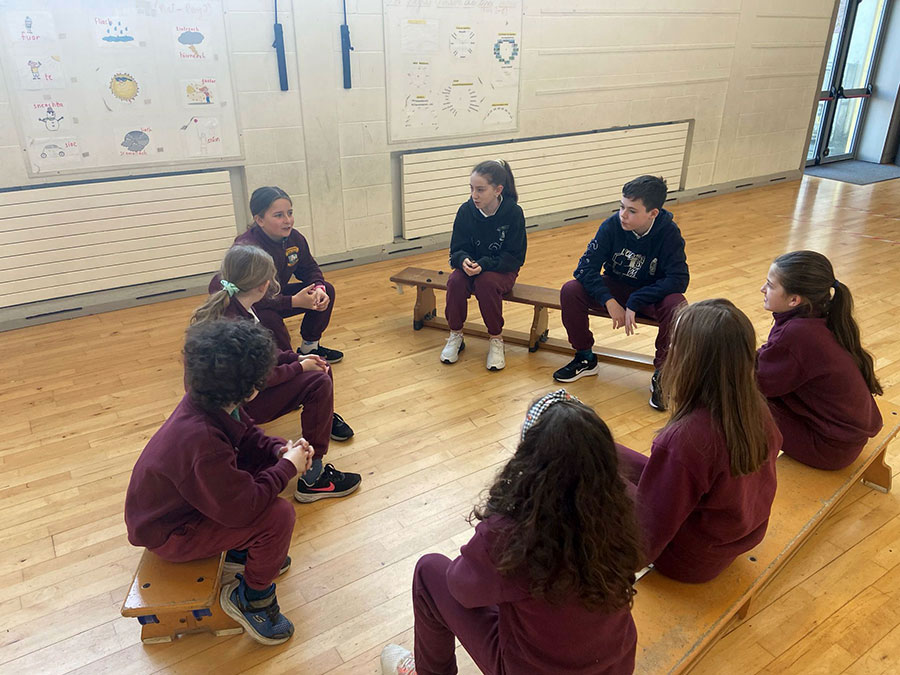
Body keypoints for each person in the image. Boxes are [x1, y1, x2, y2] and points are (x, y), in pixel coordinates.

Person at [381, 390, 643, 674]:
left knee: (428, 571)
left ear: (527, 462)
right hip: (615, 664)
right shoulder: (623, 506)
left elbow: (461, 588)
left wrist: (501, 510)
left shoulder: (512, 533)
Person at [124, 319, 310, 645]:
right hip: (170, 534)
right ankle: (253, 599)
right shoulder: (204, 442)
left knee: (258, 467)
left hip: (180, 508)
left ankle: (244, 552)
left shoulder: (208, 402)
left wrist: (279, 449)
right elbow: (245, 509)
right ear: (252, 389)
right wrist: (286, 469)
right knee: (279, 516)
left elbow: (248, 433)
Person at [616, 300, 781, 583]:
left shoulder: (686, 440)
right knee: (600, 448)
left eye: (675, 344)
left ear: (691, 360)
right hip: (726, 542)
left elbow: (645, 544)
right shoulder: (754, 408)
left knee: (584, 468)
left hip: (686, 560)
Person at [192, 246, 361, 501]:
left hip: (229, 404)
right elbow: (259, 379)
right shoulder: (235, 320)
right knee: (318, 379)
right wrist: (298, 367)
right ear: (264, 285)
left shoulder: (238, 305)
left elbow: (266, 356)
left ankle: (321, 423)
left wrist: (297, 357)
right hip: (234, 410)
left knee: (318, 366)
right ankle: (313, 478)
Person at [553, 175, 688, 411]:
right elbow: (584, 268)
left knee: (677, 304)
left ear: (653, 213)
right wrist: (609, 300)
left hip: (649, 294)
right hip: (616, 286)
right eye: (621, 206)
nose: (623, 215)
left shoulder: (669, 233)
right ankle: (585, 357)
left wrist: (637, 300)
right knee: (571, 290)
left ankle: (663, 373)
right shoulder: (612, 225)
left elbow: (678, 279)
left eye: (632, 211)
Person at [757, 250, 883, 470]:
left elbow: (757, 381)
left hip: (829, 449)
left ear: (794, 300)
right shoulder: (818, 317)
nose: (763, 289)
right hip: (843, 439)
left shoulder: (798, 334)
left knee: (735, 401)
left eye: (770, 285)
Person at [212, 186, 343, 361]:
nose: (287, 220)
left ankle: (309, 348)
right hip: (251, 303)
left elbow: (310, 268)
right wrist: (294, 301)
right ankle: (286, 361)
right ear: (259, 219)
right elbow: (250, 294)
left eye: (290, 213)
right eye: (278, 215)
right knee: (269, 317)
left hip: (275, 295)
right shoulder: (247, 248)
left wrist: (318, 288)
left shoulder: (295, 238)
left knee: (326, 290)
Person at [440, 159, 527, 371]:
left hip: (501, 270)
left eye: (480, 190)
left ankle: (496, 339)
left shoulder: (513, 213)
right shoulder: (466, 211)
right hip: (473, 268)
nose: (474, 195)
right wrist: (463, 261)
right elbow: (456, 250)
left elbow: (515, 257)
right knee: (455, 281)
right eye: (471, 189)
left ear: (498, 190)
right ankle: (455, 335)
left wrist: (485, 264)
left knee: (486, 283)